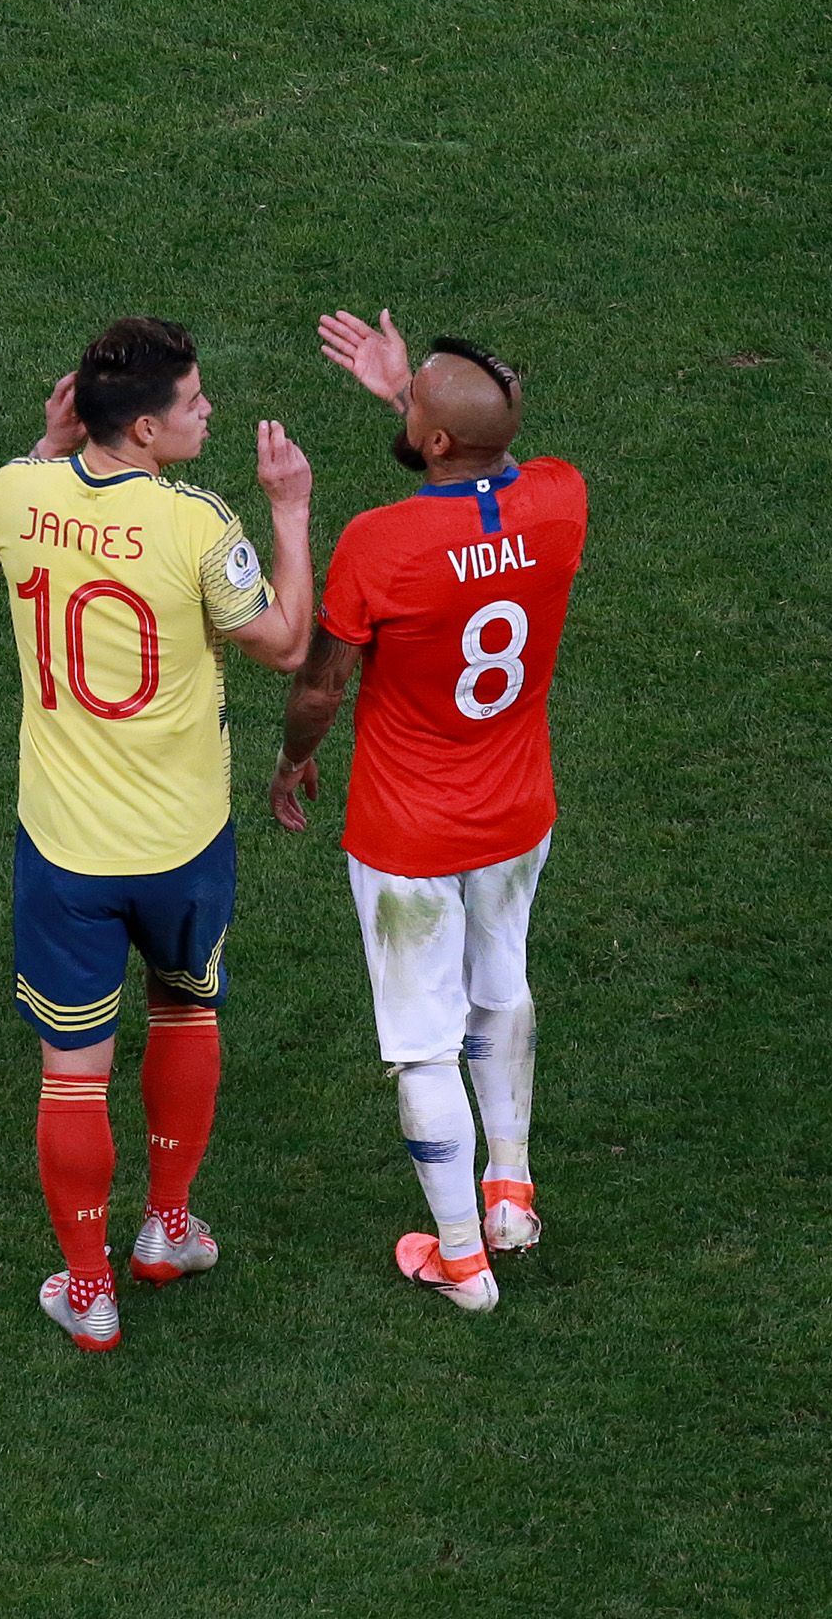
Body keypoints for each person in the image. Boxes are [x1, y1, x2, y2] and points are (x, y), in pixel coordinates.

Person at [0, 317, 313, 1351]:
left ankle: (88, 1284)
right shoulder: (197, 524)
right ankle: (167, 1227)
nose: (209, 412)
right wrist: (291, 511)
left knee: (73, 1067)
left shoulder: (18, 491)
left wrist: (45, 444)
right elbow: (284, 644)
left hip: (66, 848)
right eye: (195, 402)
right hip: (184, 842)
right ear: (147, 428)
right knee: (186, 1013)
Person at [272, 309, 586, 1311]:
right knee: (502, 984)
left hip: (409, 832)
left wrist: (291, 761)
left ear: (436, 441)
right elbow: (497, 472)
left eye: (415, 407)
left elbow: (323, 684)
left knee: (421, 1039)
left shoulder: (381, 544)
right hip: (516, 811)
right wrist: (427, 410)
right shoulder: (561, 499)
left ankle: (460, 1259)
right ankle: (512, 1192)